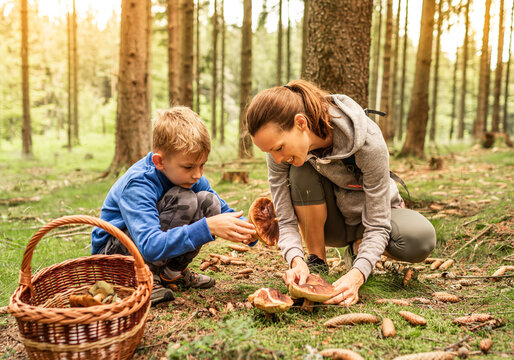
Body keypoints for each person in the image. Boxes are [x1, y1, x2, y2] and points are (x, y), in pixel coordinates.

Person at [246, 80, 436, 306]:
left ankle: (359, 249)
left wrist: (358, 275)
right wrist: (296, 260)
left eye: (278, 148)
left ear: (300, 123)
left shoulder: (368, 142)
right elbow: (285, 220)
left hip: (375, 217)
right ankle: (316, 262)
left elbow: (377, 224)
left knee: (420, 239)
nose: (277, 159)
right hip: (332, 223)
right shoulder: (280, 148)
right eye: (269, 152)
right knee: (299, 169)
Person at [91, 107, 256, 305]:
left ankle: (172, 273)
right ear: (159, 161)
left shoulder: (191, 178)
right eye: (189, 167)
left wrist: (250, 230)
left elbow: (224, 211)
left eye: (202, 165)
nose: (197, 175)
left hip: (144, 248)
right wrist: (208, 227)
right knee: (184, 199)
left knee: (208, 202)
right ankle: (141, 280)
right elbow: (150, 245)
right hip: (113, 258)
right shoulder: (138, 184)